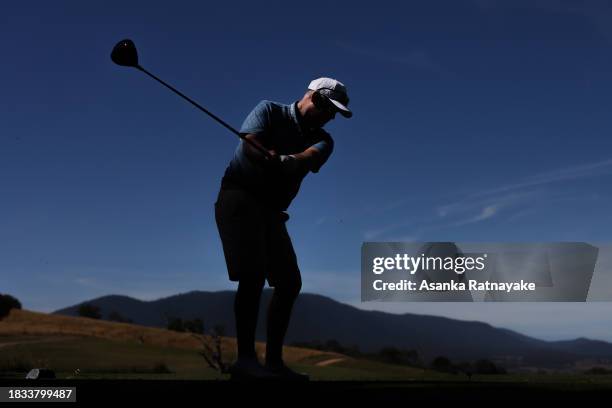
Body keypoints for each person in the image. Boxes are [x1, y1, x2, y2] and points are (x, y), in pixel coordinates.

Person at [214, 77, 352, 380]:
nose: (331, 117)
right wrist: (268, 156)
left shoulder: (325, 140)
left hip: (272, 210)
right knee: (252, 275)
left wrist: (289, 161)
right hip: (239, 195)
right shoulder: (268, 110)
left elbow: (307, 159)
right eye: (329, 109)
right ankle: (246, 362)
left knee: (289, 282)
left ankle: (274, 364)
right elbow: (250, 146)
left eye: (335, 114)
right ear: (313, 98)